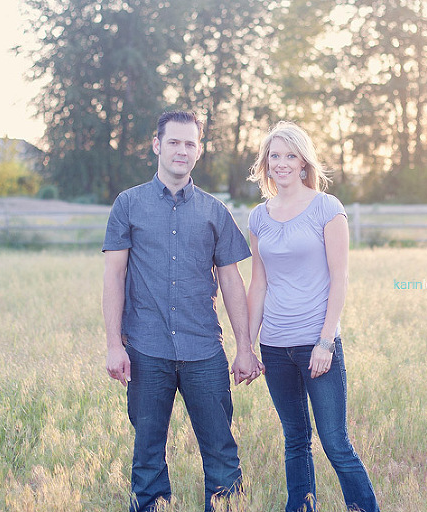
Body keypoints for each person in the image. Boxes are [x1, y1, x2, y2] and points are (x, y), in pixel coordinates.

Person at [103, 110, 264, 512]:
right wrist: (113, 345)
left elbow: (231, 282)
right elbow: (113, 276)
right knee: (147, 457)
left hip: (204, 351)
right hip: (145, 349)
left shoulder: (215, 212)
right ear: (157, 146)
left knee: (222, 454)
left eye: (190, 143)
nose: (181, 150)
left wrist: (245, 348)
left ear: (198, 151)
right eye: (173, 142)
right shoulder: (128, 204)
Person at [246, 121, 380, 512]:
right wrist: (248, 346)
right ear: (266, 164)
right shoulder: (258, 217)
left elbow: (340, 279)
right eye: (275, 156)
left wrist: (326, 341)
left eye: (291, 156)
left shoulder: (327, 208)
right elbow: (258, 284)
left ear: (304, 163)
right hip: (274, 346)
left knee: (335, 441)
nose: (282, 163)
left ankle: (363, 507)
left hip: (317, 344)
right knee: (295, 439)